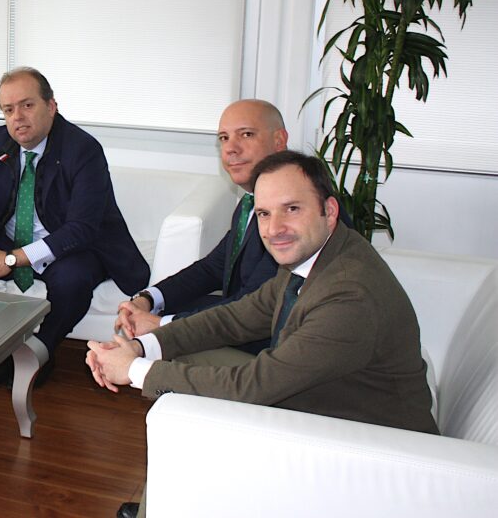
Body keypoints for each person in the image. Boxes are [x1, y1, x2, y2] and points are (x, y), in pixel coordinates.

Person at [87, 150, 437, 518]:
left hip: (371, 450)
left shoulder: (349, 296)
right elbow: (236, 318)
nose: (273, 229)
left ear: (329, 210)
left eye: (292, 209)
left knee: (190, 402)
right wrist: (143, 346)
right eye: (265, 214)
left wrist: (132, 370)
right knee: (184, 366)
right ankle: (165, 502)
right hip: (327, 402)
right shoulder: (318, 254)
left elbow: (253, 387)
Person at [0, 67, 150, 382]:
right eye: (8, 110)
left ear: (51, 106)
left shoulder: (82, 149)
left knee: (72, 278)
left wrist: (11, 260)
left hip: (70, 246)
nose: (18, 117)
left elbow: (81, 228)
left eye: (27, 105)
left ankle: (40, 350)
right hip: (12, 239)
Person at [115, 99, 288, 352]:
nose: (231, 149)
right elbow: (212, 268)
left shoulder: (289, 212)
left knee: (149, 344)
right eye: (224, 138)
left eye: (246, 134)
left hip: (275, 343)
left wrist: (161, 324)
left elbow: (253, 309)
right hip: (244, 320)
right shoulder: (250, 202)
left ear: (279, 140)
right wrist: (148, 299)